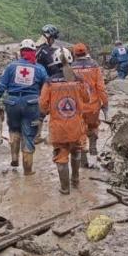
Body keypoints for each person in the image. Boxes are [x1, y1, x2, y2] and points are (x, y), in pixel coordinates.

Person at [0, 39, 48, 175]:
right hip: (31, 104)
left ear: (21, 52)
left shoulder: (11, 67)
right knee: (28, 135)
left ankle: (14, 158)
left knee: (14, 129)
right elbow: (47, 86)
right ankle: (28, 171)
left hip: (12, 103)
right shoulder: (39, 68)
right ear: (34, 53)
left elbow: (0, 86)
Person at [39, 56, 91, 194]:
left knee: (61, 156)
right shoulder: (79, 80)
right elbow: (87, 98)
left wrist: (51, 110)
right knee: (76, 151)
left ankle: (65, 188)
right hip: (76, 127)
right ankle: (76, 181)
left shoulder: (49, 82)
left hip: (58, 129)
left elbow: (43, 105)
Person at [71, 42, 109, 168]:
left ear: (74, 54)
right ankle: (93, 151)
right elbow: (100, 87)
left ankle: (83, 160)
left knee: (80, 132)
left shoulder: (70, 68)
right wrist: (105, 103)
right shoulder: (94, 66)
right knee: (93, 128)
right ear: (86, 52)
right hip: (93, 106)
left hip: (77, 108)